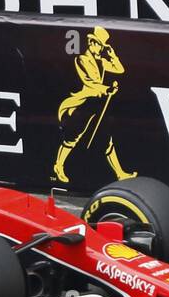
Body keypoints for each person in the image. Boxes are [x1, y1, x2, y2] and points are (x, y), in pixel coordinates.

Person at [51, 26, 136, 184]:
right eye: (97, 44)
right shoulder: (82, 59)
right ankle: (58, 166)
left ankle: (119, 173)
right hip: (83, 103)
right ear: (91, 42)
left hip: (98, 105)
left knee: (107, 139)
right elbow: (90, 84)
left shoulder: (102, 61)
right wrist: (107, 89)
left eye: (101, 45)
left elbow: (120, 69)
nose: (99, 48)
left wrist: (112, 54)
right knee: (73, 137)